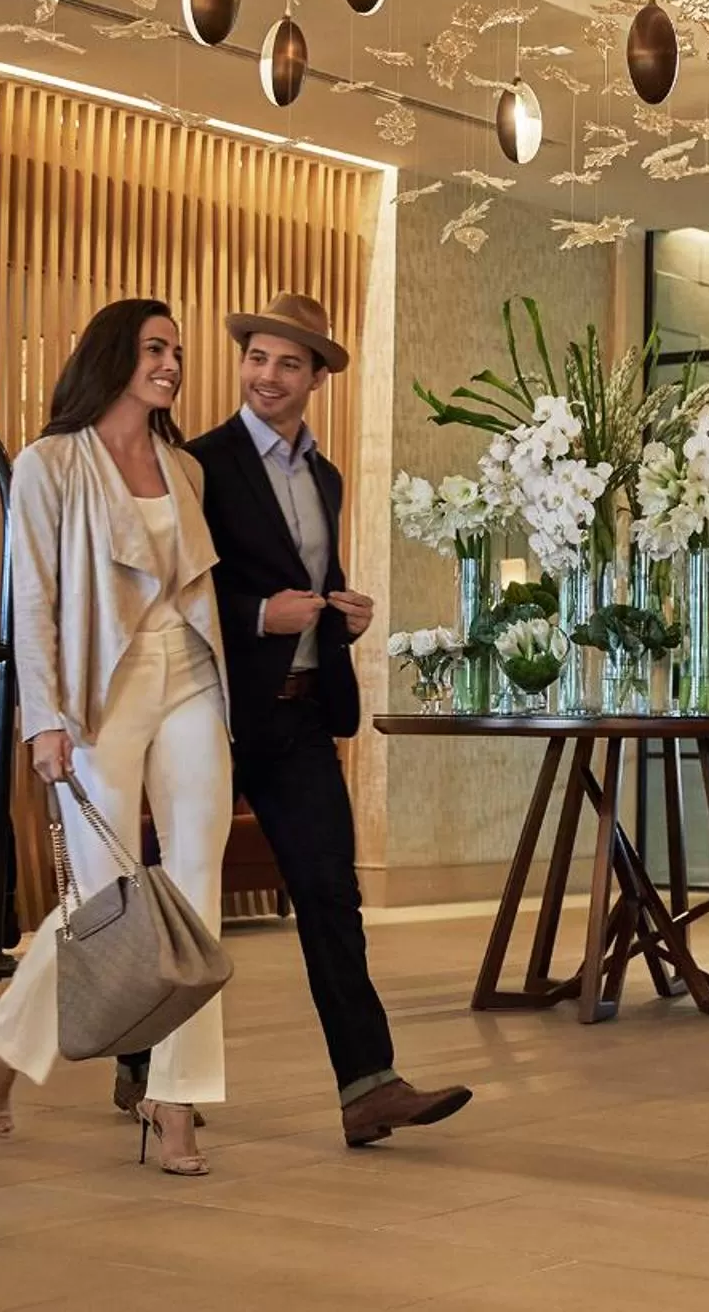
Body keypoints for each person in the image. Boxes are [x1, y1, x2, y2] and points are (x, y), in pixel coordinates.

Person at [143, 290, 471, 1147]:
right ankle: (141, 1066)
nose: (268, 375)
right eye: (257, 357)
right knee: (184, 896)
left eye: (289, 363)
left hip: (296, 719)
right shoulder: (197, 463)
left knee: (331, 894)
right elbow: (177, 585)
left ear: (317, 376)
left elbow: (306, 577)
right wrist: (258, 617)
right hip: (208, 714)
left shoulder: (324, 475)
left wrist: (340, 616)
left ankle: (369, 1087)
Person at [0, 299, 234, 1177]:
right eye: (157, 348)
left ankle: (176, 1100)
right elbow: (32, 599)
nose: (172, 364)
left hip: (188, 673)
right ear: (115, 355)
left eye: (179, 353)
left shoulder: (182, 468)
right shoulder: (47, 464)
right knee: (105, 900)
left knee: (195, 896)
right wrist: (42, 718)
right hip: (97, 691)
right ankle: (4, 1048)